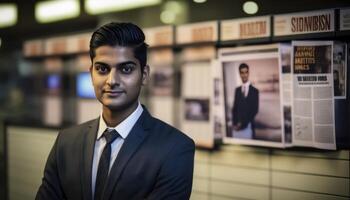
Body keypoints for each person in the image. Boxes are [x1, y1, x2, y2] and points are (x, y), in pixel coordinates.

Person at [36, 22, 195, 200]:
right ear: (91, 74)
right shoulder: (65, 143)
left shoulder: (175, 148)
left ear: (144, 75)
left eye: (126, 69)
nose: (112, 80)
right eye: (102, 69)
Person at [231, 63, 259, 139]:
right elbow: (234, 109)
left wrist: (243, 124)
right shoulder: (237, 90)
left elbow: (255, 110)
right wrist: (234, 123)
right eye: (242, 73)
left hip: (248, 127)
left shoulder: (255, 91)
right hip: (237, 128)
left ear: (248, 73)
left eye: (246, 72)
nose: (244, 75)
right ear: (240, 74)